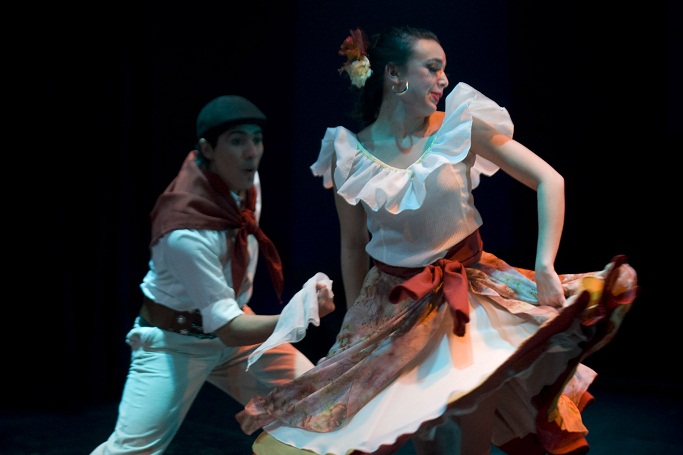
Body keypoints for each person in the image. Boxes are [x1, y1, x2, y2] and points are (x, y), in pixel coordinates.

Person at [235, 26, 639, 455]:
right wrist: (356, 329)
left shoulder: (459, 127)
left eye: (444, 69)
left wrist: (544, 266)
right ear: (394, 74)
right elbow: (353, 244)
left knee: (469, 413)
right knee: (419, 428)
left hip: (470, 295)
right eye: (432, 68)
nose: (444, 79)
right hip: (395, 305)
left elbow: (549, 180)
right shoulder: (350, 154)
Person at [91, 95, 335, 454]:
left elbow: (231, 324)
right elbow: (229, 328)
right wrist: (298, 313)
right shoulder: (185, 232)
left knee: (317, 402)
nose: (251, 152)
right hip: (175, 344)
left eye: (256, 139)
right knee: (132, 450)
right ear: (207, 149)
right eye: (237, 141)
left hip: (234, 332)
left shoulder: (245, 183)